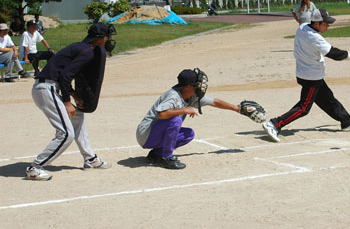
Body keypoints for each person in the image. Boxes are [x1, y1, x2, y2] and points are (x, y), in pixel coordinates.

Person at [25, 23, 117, 181]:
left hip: (47, 87)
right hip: (47, 89)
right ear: (100, 39)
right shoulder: (87, 52)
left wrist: (74, 95)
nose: (108, 40)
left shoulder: (82, 48)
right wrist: (67, 101)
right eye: (107, 36)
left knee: (78, 116)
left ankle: (90, 158)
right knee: (66, 134)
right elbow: (65, 76)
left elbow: (64, 74)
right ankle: (35, 167)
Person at [262, 9, 350, 142]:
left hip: (306, 74)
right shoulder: (314, 37)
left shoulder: (302, 27)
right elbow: (332, 53)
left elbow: (304, 21)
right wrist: (346, 55)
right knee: (303, 108)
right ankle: (275, 123)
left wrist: (344, 54)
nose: (328, 26)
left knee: (329, 100)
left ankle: (347, 122)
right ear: (317, 24)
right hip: (311, 77)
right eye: (326, 23)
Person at [136, 68, 247, 169]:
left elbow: (215, 102)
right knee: (176, 120)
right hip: (146, 133)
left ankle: (157, 154)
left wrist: (235, 108)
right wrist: (184, 110)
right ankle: (167, 158)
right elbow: (162, 114)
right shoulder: (173, 96)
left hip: (155, 133)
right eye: (197, 84)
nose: (200, 86)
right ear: (188, 87)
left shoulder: (191, 96)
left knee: (188, 134)